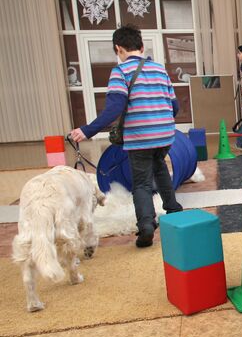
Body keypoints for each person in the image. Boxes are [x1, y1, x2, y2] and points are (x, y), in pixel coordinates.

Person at [70, 25, 183, 248]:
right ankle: (175, 211)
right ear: (142, 47)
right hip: (165, 136)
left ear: (118, 49)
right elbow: (175, 106)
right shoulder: (160, 70)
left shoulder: (120, 72)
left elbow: (114, 108)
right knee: (160, 168)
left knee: (141, 182)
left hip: (140, 138)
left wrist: (87, 130)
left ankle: (146, 226)